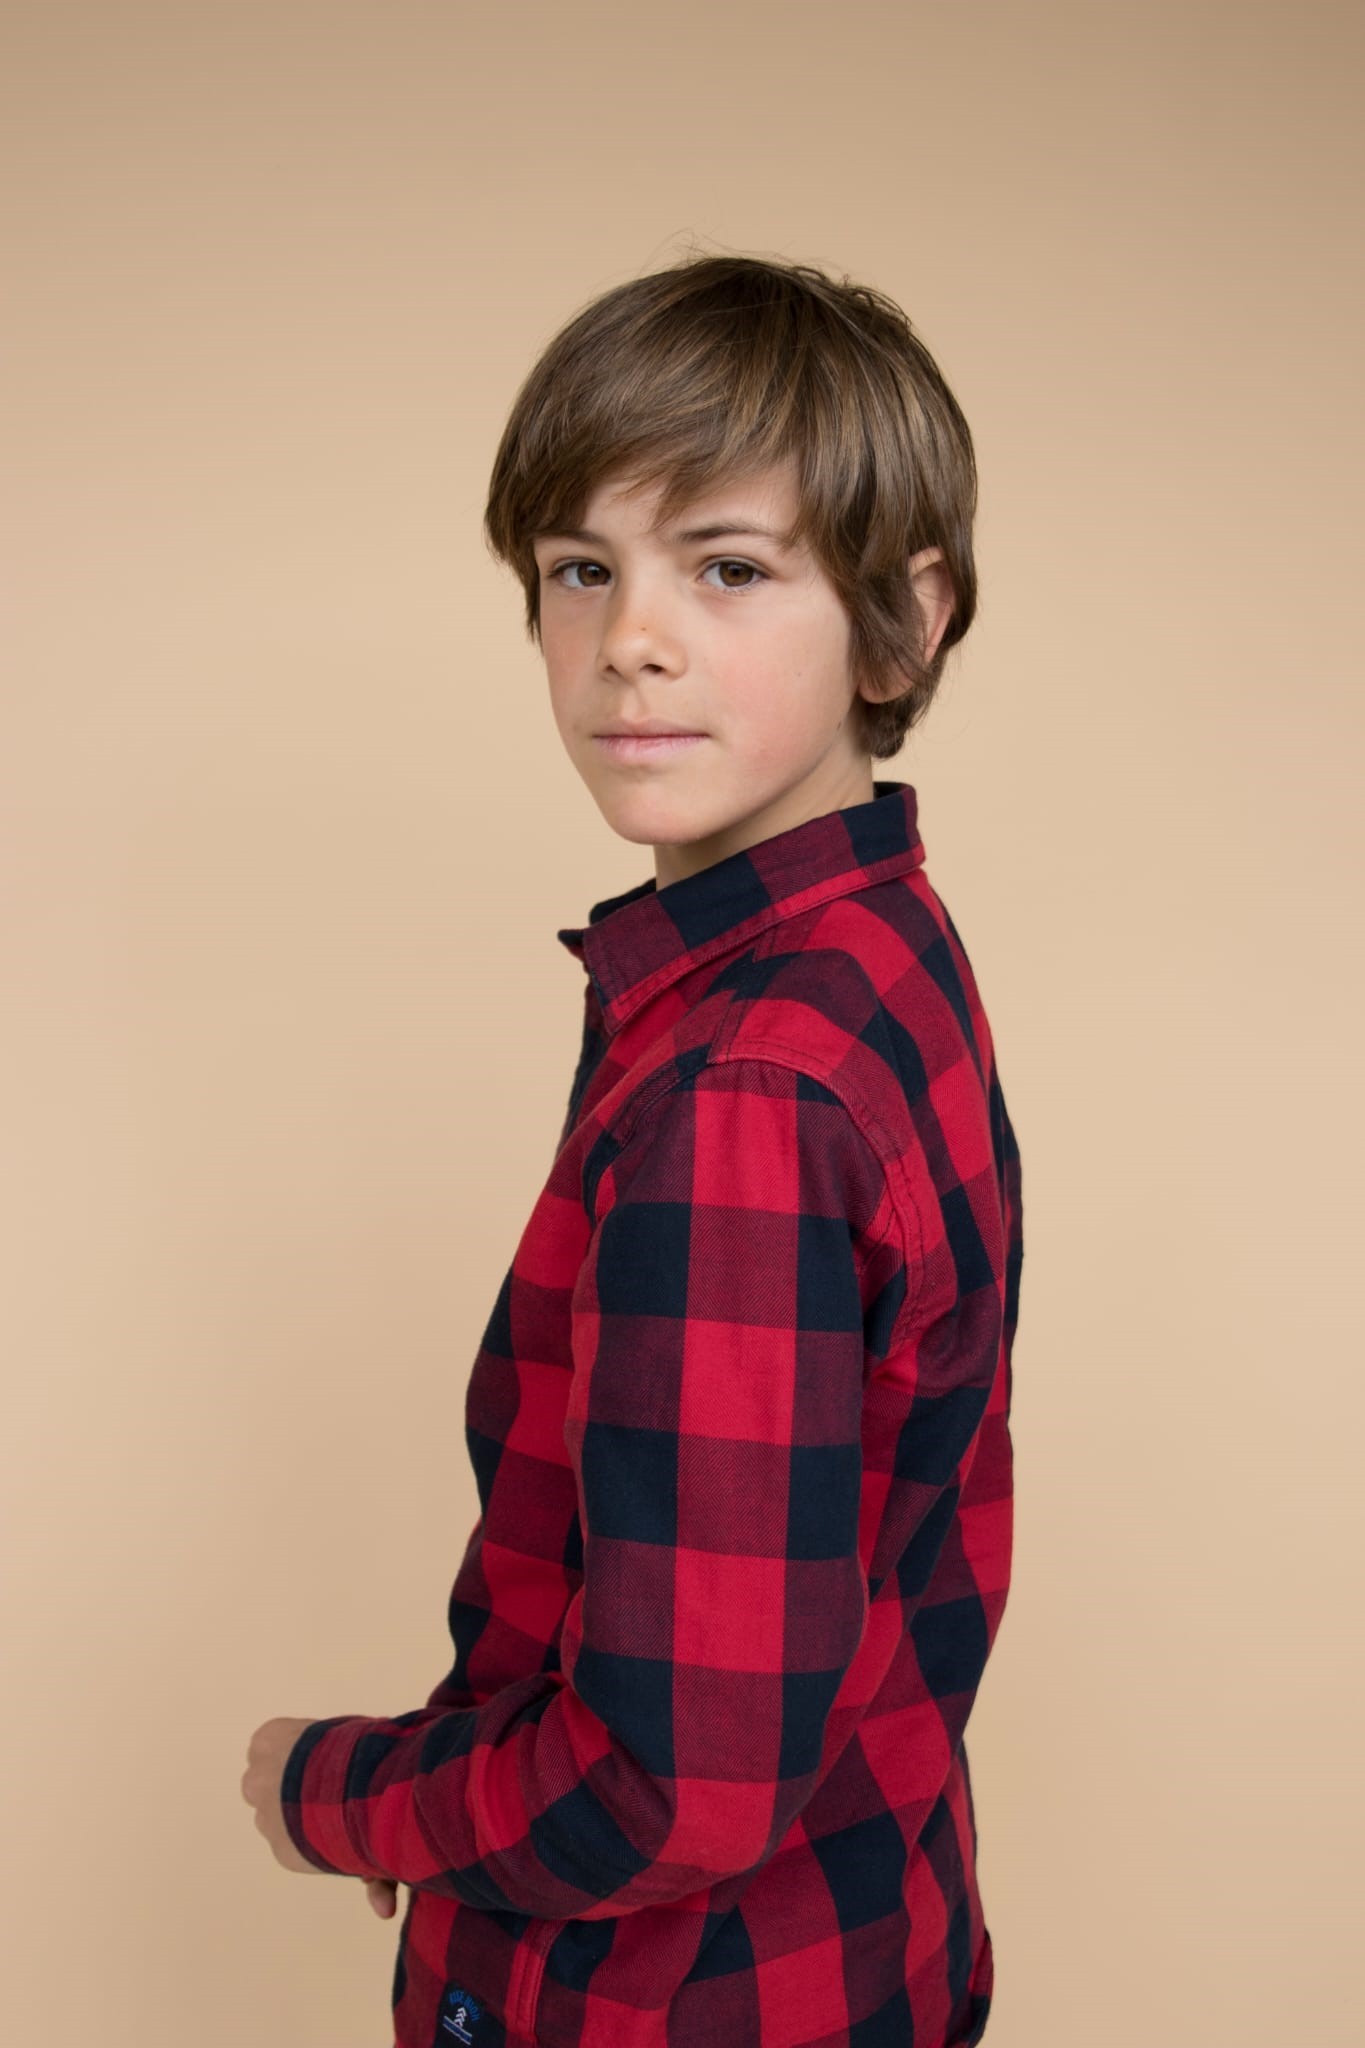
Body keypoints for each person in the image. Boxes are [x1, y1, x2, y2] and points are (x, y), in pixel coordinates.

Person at [241, 248, 1024, 2048]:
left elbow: (671, 1788)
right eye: (578, 569)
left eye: (726, 568)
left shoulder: (744, 1090)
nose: (628, 642)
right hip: (873, 1940)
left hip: (661, 2007)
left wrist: (334, 1792)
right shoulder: (870, 948)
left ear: (901, 623)